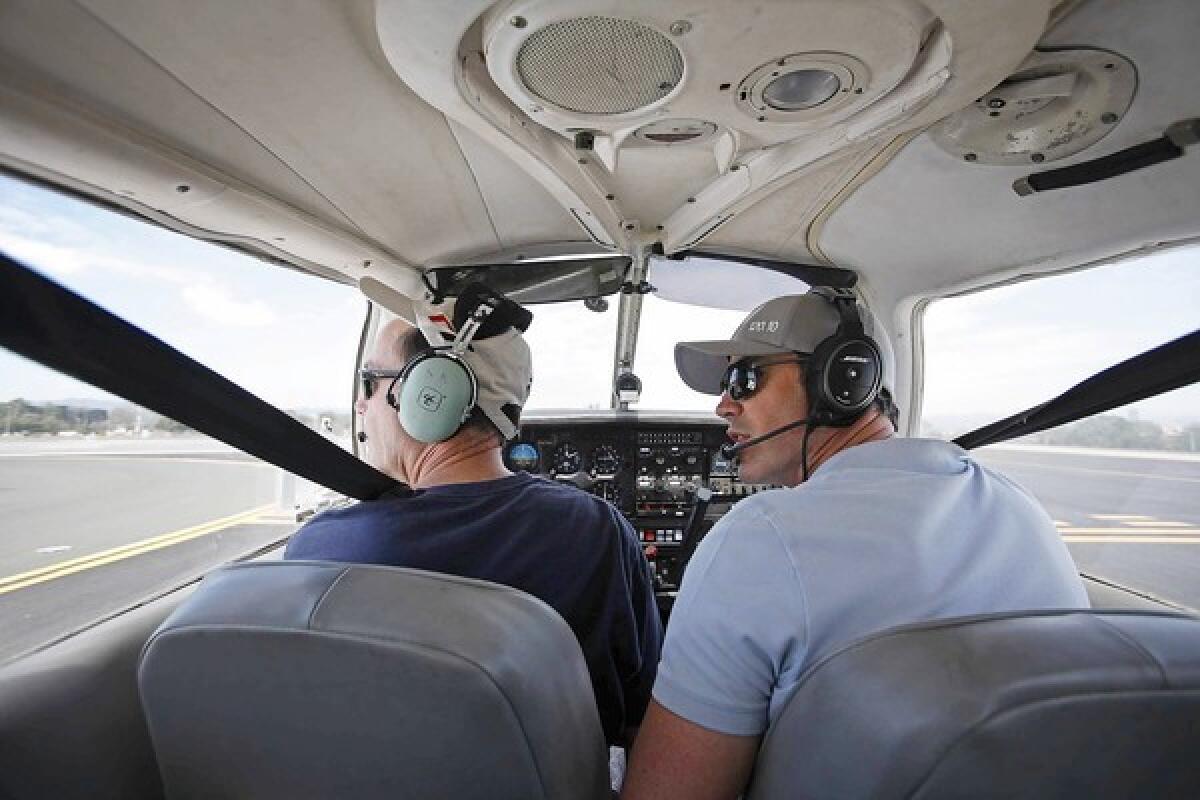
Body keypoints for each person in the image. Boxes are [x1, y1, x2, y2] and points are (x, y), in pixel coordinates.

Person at [622, 292, 1088, 800]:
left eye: (745, 378)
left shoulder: (758, 539)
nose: (723, 404)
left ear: (843, 379)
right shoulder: (1017, 507)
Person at [285, 286, 662, 749]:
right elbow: (637, 713)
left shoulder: (319, 549)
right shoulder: (597, 530)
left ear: (429, 392)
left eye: (370, 382)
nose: (361, 404)